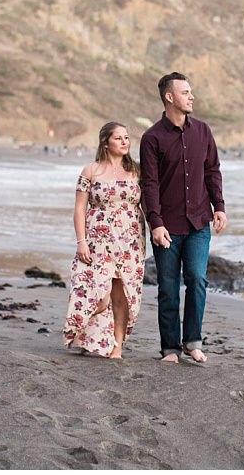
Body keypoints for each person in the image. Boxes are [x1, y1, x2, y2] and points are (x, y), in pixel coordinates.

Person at [140, 72, 227, 364]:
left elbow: (212, 171)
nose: (191, 96)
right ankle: (170, 349)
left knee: (197, 279)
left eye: (191, 92)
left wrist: (220, 206)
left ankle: (192, 341)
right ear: (170, 97)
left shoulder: (203, 131)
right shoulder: (152, 138)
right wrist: (156, 222)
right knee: (167, 288)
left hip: (199, 222)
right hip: (167, 225)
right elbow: (149, 183)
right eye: (186, 92)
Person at [63, 122, 147, 359]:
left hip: (130, 239)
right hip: (98, 238)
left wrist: (158, 229)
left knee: (123, 295)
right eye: (118, 138)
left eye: (127, 138)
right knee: (99, 293)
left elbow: (148, 207)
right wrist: (81, 241)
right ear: (105, 142)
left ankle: (117, 346)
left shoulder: (137, 171)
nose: (124, 142)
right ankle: (85, 332)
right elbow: (79, 209)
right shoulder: (91, 171)